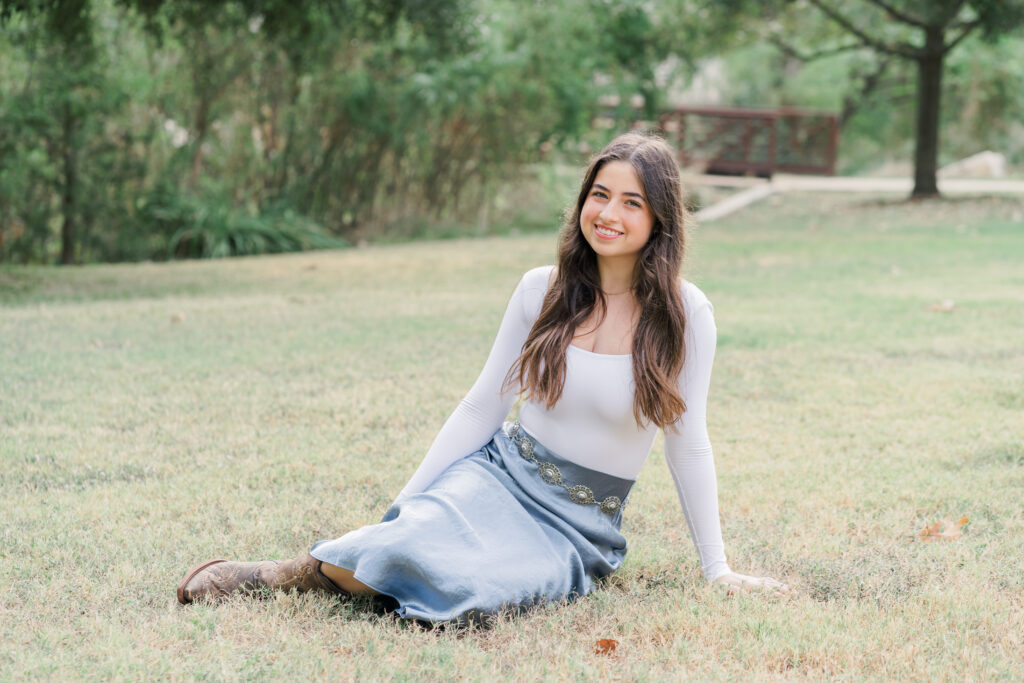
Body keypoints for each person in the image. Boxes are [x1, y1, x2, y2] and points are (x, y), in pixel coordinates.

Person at [177, 132, 789, 622]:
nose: (608, 213)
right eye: (599, 195)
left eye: (632, 202)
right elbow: (480, 409)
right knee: (404, 542)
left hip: (580, 526)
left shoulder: (686, 314)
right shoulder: (539, 292)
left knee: (478, 592)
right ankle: (276, 575)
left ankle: (367, 570)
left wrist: (718, 569)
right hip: (498, 476)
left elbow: (690, 444)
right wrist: (404, 506)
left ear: (660, 218)